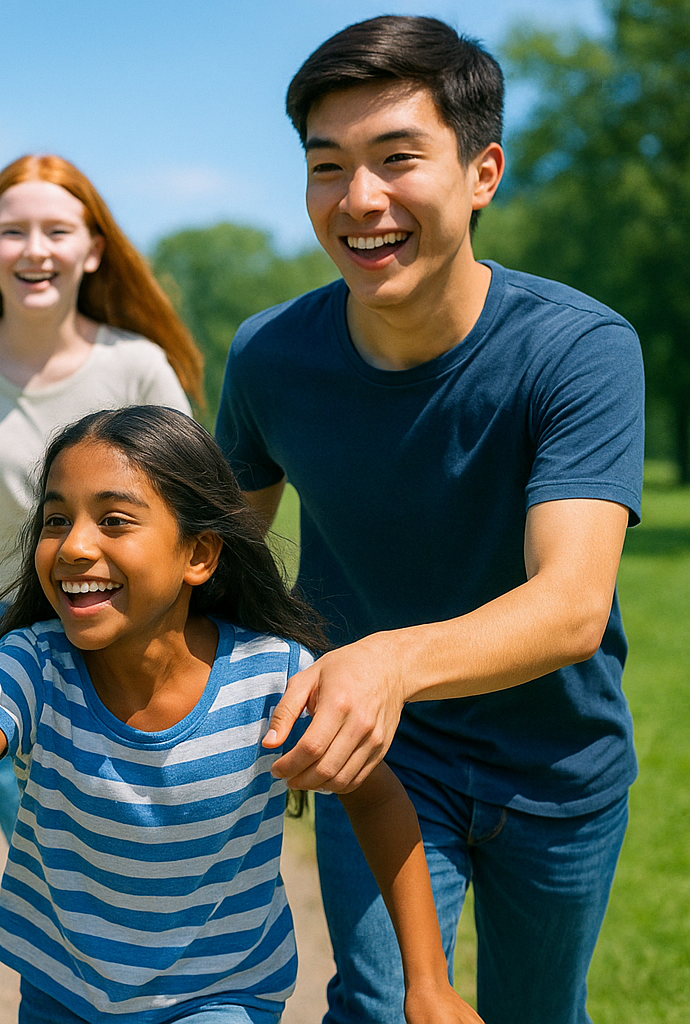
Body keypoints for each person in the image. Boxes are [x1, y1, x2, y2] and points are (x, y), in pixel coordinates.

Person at [0, 406, 481, 1024]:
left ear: (199, 554)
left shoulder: (275, 677)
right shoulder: (33, 664)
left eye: (114, 520)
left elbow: (379, 802)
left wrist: (426, 983)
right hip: (62, 987)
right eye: (56, 520)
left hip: (220, 993)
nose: (75, 545)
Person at [214, 16, 644, 1024]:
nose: (359, 200)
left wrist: (387, 658)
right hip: (382, 753)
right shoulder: (271, 356)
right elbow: (214, 557)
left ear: (483, 172)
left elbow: (573, 605)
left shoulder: (579, 351)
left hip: (559, 762)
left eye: (396, 159)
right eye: (329, 166)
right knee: (377, 1004)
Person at [0, 153, 203, 837]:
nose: (36, 250)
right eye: (14, 232)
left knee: (132, 814)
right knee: (33, 822)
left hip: (126, 617)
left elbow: (196, 503)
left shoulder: (138, 364)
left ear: (93, 251)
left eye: (58, 231)